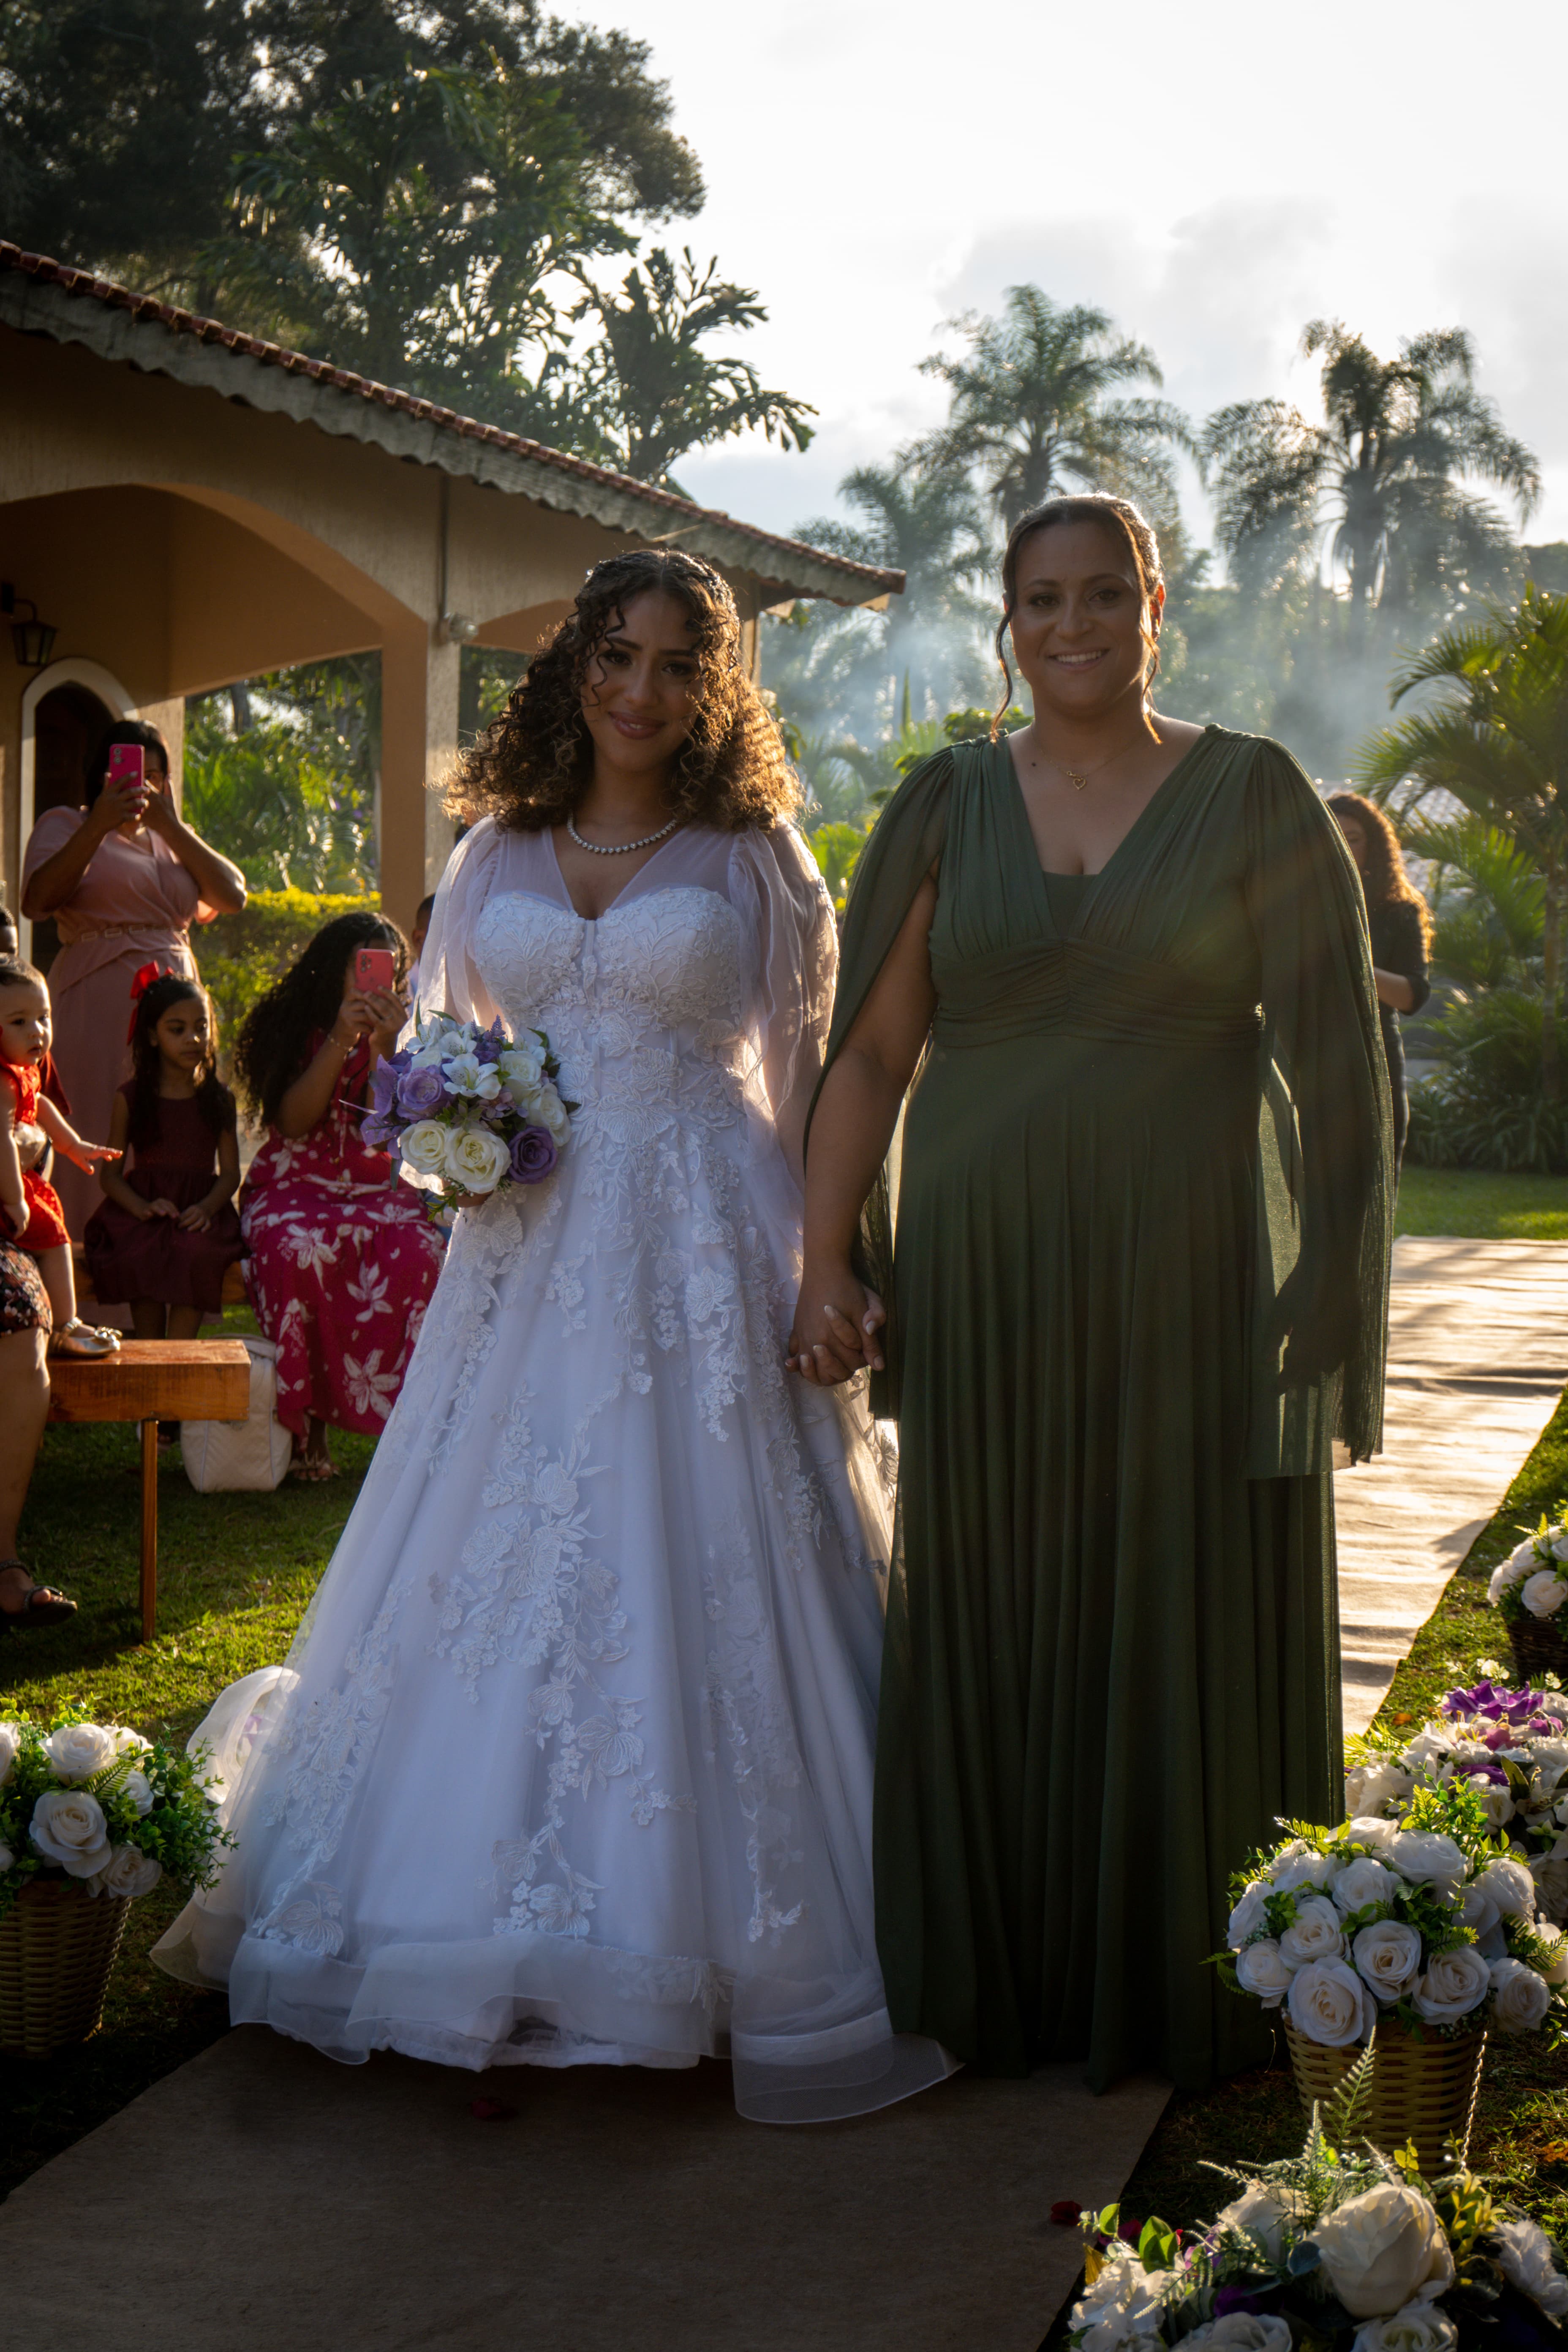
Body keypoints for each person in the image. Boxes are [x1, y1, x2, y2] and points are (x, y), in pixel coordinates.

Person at [153, 548, 950, 2125]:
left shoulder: (752, 860)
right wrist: (457, 1127)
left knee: (693, 1556)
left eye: (673, 663)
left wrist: (822, 1266)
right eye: (615, 652)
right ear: (572, 663)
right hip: (524, 1255)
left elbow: (809, 1087)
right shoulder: (497, 848)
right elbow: (457, 1053)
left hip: (702, 1246)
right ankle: (445, 1921)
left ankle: (708, 1941)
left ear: (712, 691)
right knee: (492, 1551)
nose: (640, 688)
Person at [790, 494, 1392, 2093]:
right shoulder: (942, 803)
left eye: (1102, 595)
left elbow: (1333, 1050)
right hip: (988, 1274)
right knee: (994, 1584)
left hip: (1185, 1265)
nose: (1073, 625)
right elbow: (868, 1051)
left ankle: (1187, 1971)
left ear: (1153, 600)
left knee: (1173, 1578)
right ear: (1007, 618)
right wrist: (825, 1253)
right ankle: (1011, 1976)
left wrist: (1326, 1265)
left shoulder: (1250, 790)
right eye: (1040, 599)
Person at [233, 912, 445, 1480]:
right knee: (300, 1252)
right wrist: (339, 1039)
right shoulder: (291, 1027)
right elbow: (295, 1124)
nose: (374, 980)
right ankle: (311, 1428)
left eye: (386, 970)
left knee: (421, 1255)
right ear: (334, 969)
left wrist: (384, 1046)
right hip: (294, 1183)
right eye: (362, 968)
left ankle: (407, 1434)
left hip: (375, 1184)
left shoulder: (409, 1032)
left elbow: (391, 1128)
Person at [20, 719, 247, 1239]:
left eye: (154, 775)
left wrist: (171, 827)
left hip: (174, 1003)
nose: (140, 785)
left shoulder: (173, 839)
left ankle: (159, 1274)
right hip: (97, 999)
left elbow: (233, 896)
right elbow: (37, 901)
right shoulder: (66, 823)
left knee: (169, 1131)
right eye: (128, 773)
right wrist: (98, 824)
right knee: (97, 1123)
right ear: (101, 776)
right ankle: (80, 1272)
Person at [84, 971, 244, 1339]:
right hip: (145, 1211)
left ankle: (180, 1355)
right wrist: (141, 1208)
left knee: (196, 1253)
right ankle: (151, 1354)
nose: (193, 1039)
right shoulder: (131, 1098)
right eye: (178, 1029)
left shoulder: (220, 1099)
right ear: (153, 1036)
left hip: (199, 1213)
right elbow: (109, 1175)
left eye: (201, 1027)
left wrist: (206, 1209)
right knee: (142, 1252)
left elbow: (231, 1174)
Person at [0, 958, 123, 1356]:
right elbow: (2, 1143)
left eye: (43, 1017)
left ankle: (56, 1323)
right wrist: (15, 1198)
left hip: (18, 1183)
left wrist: (72, 1145)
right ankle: (65, 1326)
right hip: (9, 1188)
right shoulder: (2, 1082)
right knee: (54, 1241)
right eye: (19, 1021)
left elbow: (41, 1107)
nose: (37, 1031)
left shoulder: (24, 1070)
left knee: (54, 1238)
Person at [1326, 793, 1432, 1172]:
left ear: (1373, 846)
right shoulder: (1295, 908)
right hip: (1309, 1062)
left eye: (1353, 838)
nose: (1342, 846)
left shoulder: (1398, 911)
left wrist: (1354, 965)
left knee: (1375, 1188)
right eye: (1332, 835)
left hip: (1375, 1060)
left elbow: (1412, 995)